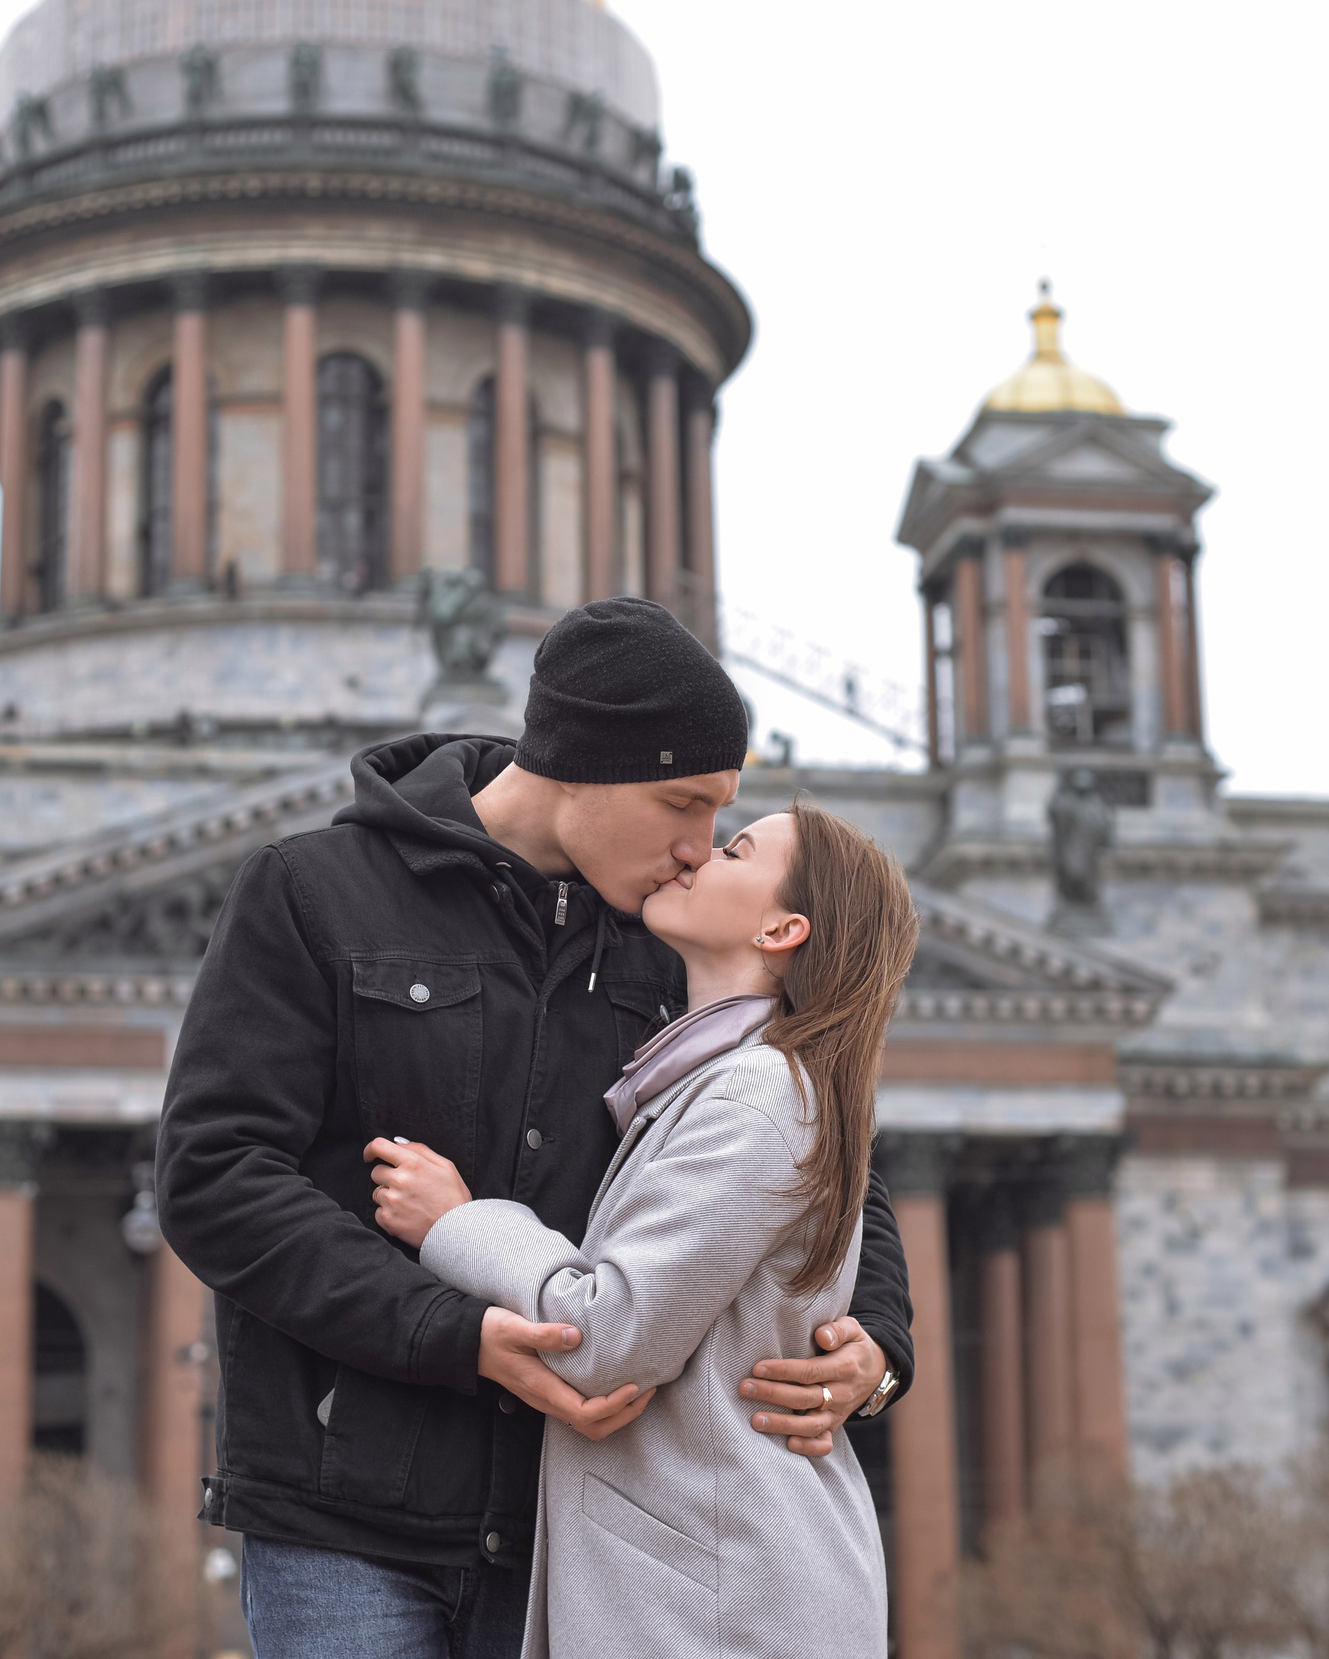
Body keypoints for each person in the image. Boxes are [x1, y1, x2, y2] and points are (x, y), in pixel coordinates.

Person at [156, 599, 915, 1659]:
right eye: (680, 805)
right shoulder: (314, 893)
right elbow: (214, 1175)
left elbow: (829, 1157)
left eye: (721, 821)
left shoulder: (678, 945)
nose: (698, 851)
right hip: (346, 1519)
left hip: (582, 1531)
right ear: (583, 766)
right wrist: (455, 1334)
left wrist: (874, 1344)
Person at [370, 800, 915, 1657]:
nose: (696, 853)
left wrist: (460, 1220)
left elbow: (606, 1339)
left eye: (733, 849)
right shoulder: (727, 1081)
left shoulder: (757, 1095)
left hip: (721, 1607)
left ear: (782, 928)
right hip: (713, 1591)